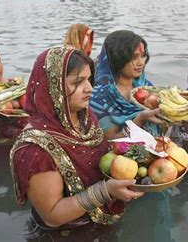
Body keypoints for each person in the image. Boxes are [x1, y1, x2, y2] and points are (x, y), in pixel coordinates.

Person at [10, 47, 143, 238]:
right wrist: (105, 191)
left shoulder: (85, 118)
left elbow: (102, 156)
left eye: (89, 79)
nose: (89, 88)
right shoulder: (36, 149)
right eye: (77, 82)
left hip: (100, 222)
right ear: (52, 87)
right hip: (65, 234)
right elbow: (52, 215)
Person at [90, 30, 162, 140]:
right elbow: (109, 142)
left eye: (143, 56)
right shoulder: (99, 97)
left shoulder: (146, 87)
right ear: (117, 59)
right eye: (134, 57)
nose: (141, 62)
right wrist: (139, 121)